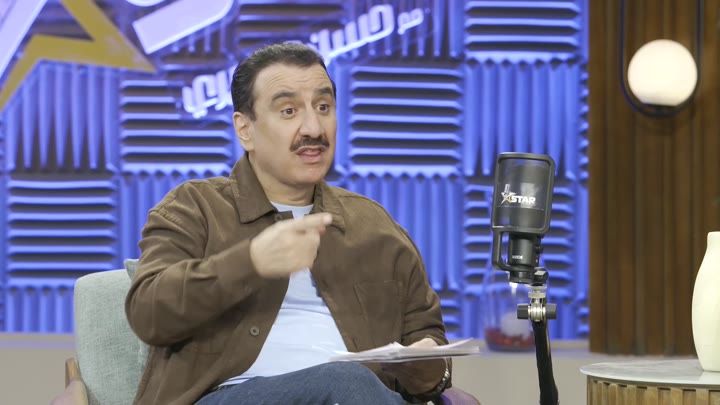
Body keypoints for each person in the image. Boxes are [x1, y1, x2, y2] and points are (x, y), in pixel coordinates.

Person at [125, 42, 451, 405]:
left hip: (357, 396)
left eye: (323, 107)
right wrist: (250, 262)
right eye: (288, 111)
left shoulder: (374, 225)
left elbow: (427, 341)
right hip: (231, 396)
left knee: (349, 385)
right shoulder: (195, 206)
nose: (313, 127)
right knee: (343, 381)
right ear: (244, 129)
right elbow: (148, 314)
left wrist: (429, 368)